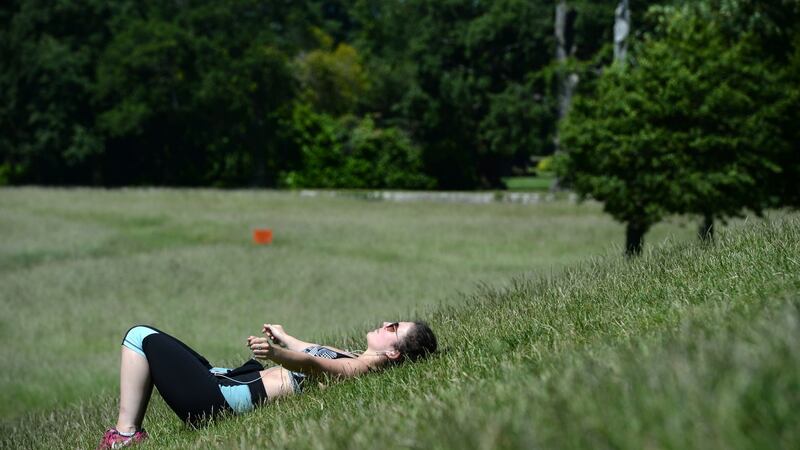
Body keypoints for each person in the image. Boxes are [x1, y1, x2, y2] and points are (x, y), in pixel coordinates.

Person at [96, 320, 437, 449]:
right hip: (224, 383)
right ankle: (126, 434)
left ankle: (125, 437)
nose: (386, 323)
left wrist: (277, 353)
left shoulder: (360, 369)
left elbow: (311, 363)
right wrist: (285, 336)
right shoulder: (352, 355)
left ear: (394, 353)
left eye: (395, 329)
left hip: (216, 402)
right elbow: (309, 349)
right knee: (152, 340)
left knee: (140, 337)